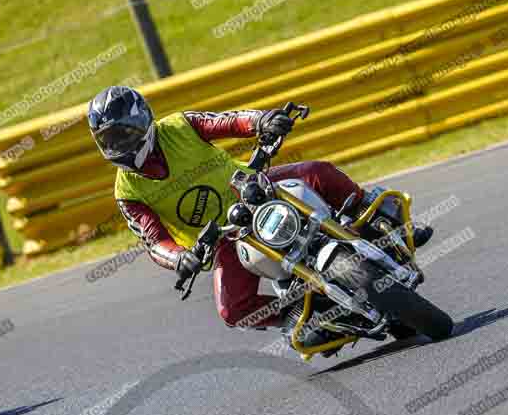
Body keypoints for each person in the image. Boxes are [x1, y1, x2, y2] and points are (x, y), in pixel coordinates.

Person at [87, 86, 432, 328]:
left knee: (317, 172)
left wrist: (262, 122)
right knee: (232, 311)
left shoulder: (178, 126)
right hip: (223, 237)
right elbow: (153, 241)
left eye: (121, 134)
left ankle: (382, 219)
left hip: (254, 189)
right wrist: (181, 258)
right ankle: (303, 315)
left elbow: (228, 121)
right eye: (108, 140)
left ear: (142, 123)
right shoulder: (127, 191)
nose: (117, 145)